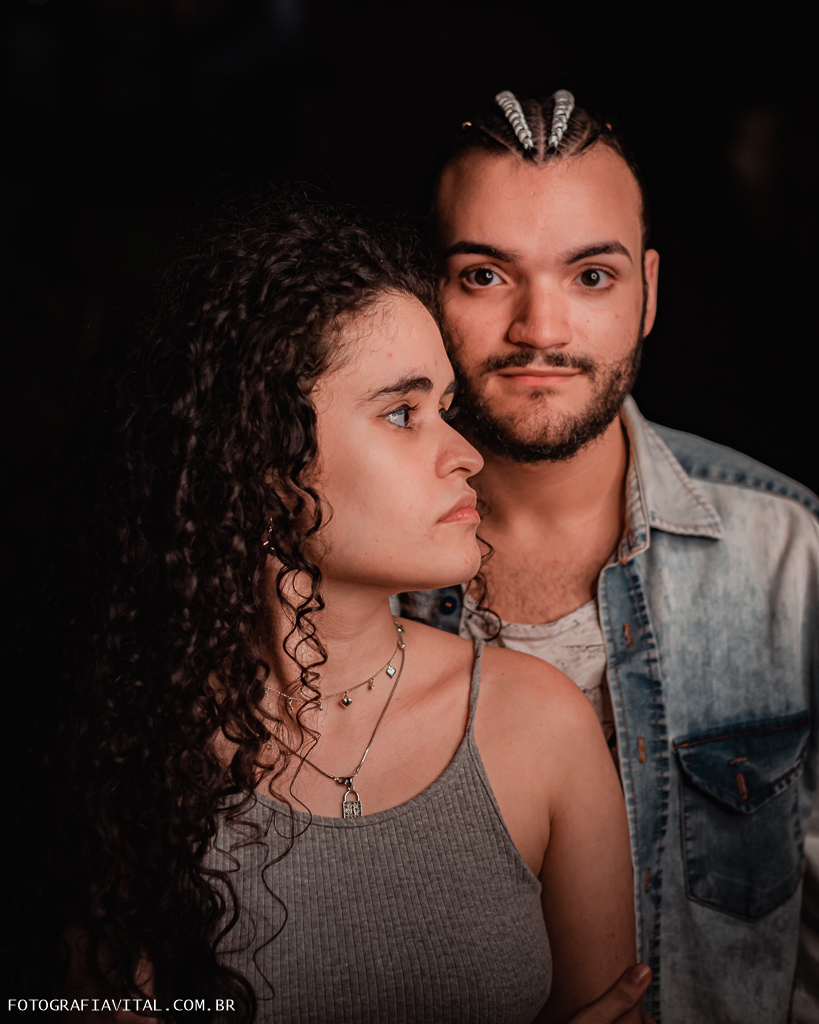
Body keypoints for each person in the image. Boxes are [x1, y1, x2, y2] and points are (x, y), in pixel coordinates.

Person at [54, 192, 653, 1023]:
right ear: (262, 459)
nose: (464, 454)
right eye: (402, 414)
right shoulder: (134, 747)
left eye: (445, 410)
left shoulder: (540, 725)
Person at [395, 90, 819, 1023]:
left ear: (648, 293)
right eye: (483, 275)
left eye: (590, 276)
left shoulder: (792, 556)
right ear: (422, 290)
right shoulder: (332, 581)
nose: (541, 330)